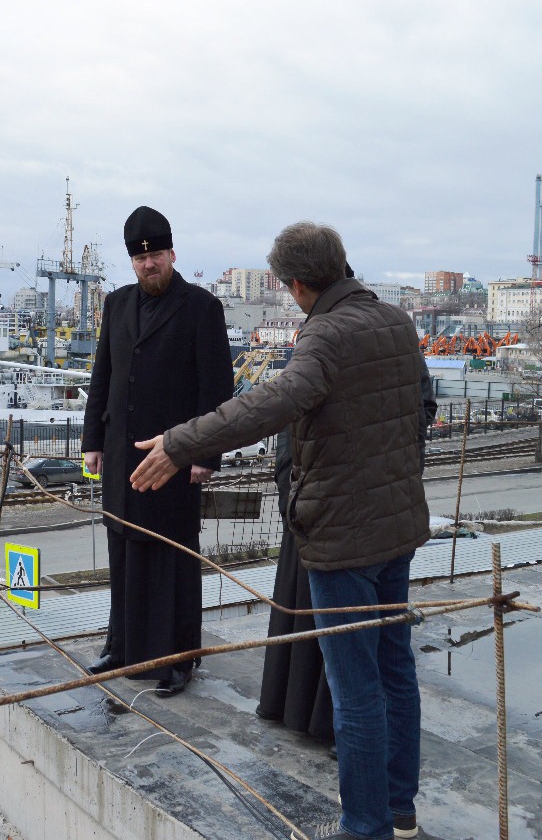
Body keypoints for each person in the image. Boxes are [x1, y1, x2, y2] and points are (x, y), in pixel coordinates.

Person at [131, 221, 428, 840]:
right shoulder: (397, 323)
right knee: (396, 672)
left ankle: (364, 827)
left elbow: (264, 405)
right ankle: (399, 810)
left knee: (356, 692)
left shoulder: (325, 337)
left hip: (343, 537)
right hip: (397, 527)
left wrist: (180, 442)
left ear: (296, 285)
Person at [256, 268, 436, 757]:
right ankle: (393, 802)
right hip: (320, 498)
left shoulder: (334, 335)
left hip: (346, 510)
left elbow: (418, 409)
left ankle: (366, 800)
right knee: (367, 649)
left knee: (357, 655)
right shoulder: (383, 329)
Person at [81, 205, 233, 697]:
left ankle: (178, 658)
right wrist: (92, 441)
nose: (149, 265)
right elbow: (101, 374)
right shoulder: (118, 303)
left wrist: (205, 456)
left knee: (171, 555)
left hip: (174, 457)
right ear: (132, 261)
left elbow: (216, 389)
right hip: (123, 457)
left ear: (172, 253)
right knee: (123, 549)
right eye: (140, 259)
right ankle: (120, 645)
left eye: (157, 256)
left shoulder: (201, 307)